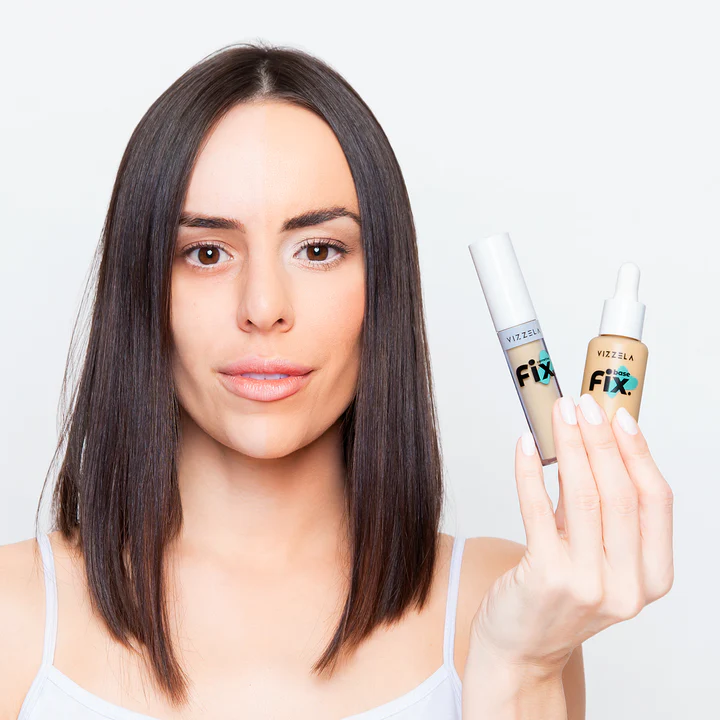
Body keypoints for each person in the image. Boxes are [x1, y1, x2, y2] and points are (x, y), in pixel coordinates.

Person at [0, 42, 672, 719]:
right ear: (141, 285)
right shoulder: (15, 617)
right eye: (206, 253)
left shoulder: (508, 603)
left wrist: (522, 667)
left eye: (318, 250)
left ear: (383, 285)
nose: (264, 307)